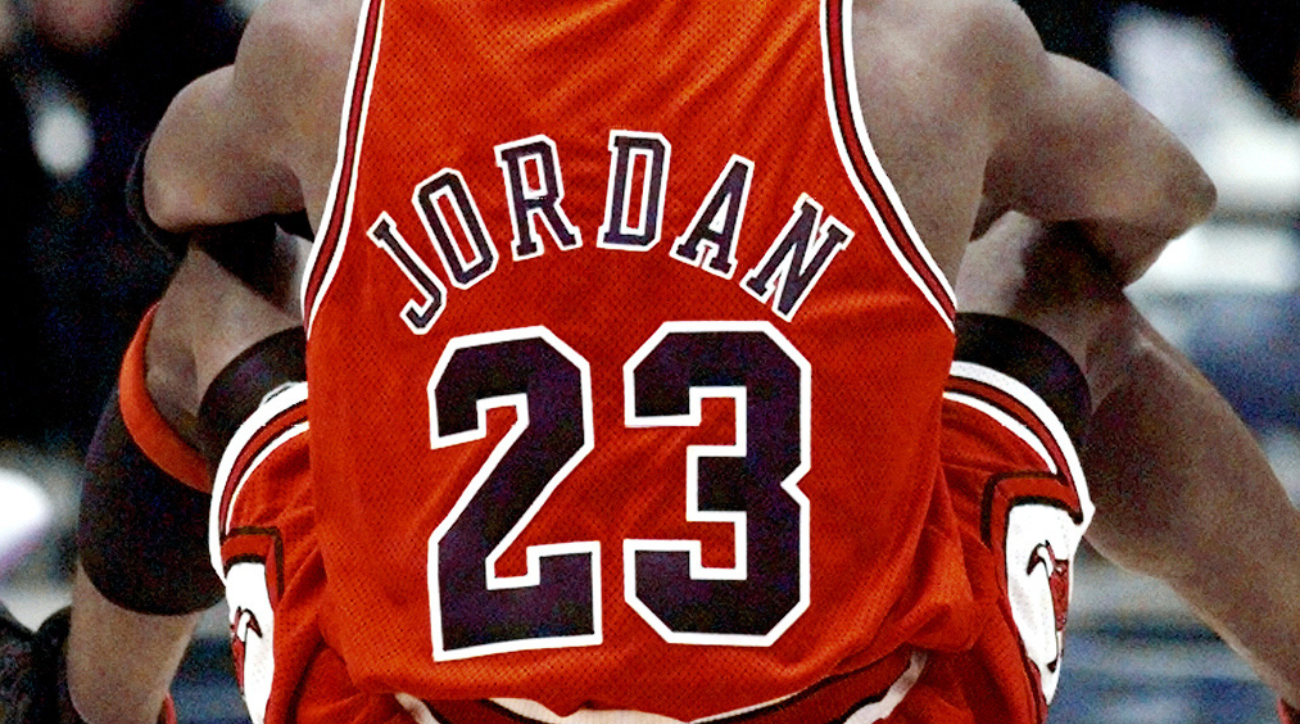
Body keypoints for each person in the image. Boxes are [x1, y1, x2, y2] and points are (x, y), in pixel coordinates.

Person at [7, 0, 1262, 721]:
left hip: (429, 710)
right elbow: (1165, 192)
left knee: (207, 310)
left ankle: (82, 709)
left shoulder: (333, 46)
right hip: (855, 707)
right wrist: (906, 298)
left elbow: (174, 192)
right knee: (1067, 288)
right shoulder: (921, 42)